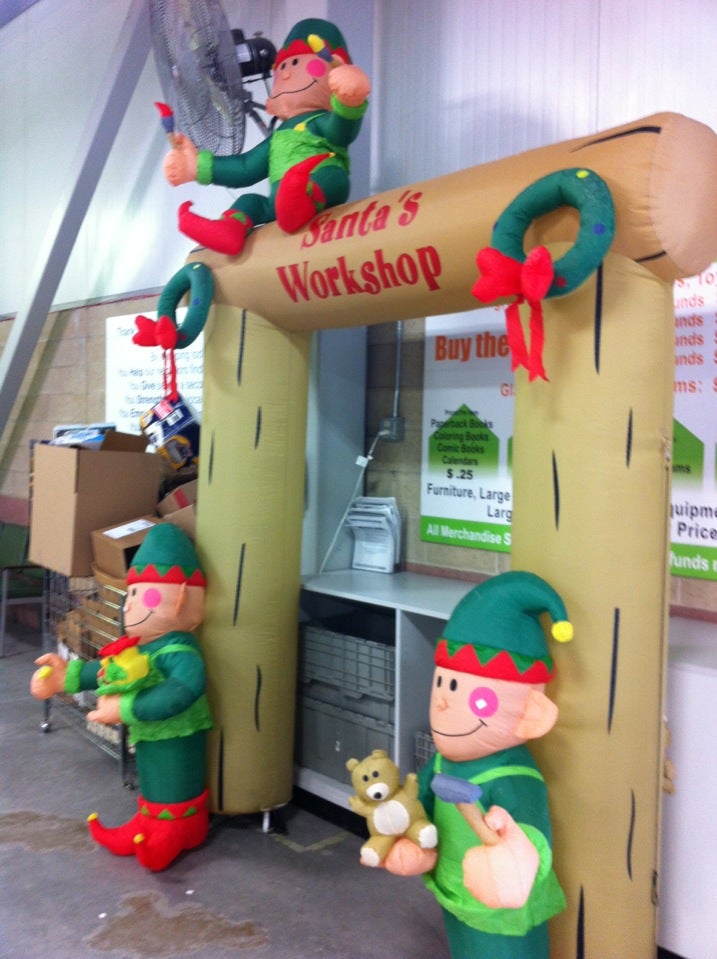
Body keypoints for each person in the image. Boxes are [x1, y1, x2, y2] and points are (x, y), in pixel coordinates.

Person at [381, 571, 572, 959]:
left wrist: (508, 867)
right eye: (442, 685)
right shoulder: (444, 762)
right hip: (455, 890)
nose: (443, 701)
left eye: (473, 696)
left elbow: (533, 839)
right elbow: (424, 808)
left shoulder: (514, 777)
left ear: (531, 714)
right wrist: (415, 839)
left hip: (502, 915)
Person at [31, 523, 212, 872]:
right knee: (152, 776)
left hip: (179, 734)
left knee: (173, 776)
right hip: (148, 734)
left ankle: (180, 827)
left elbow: (183, 690)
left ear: (182, 599)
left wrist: (126, 707)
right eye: (131, 594)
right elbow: (106, 671)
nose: (130, 606)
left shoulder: (180, 652)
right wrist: (64, 677)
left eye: (146, 595)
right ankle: (150, 819)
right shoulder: (143, 647)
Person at [163, 17, 370, 255]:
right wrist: (195, 166)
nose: (287, 74)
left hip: (319, 188)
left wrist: (348, 102)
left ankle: (302, 199)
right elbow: (246, 167)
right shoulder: (278, 137)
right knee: (250, 202)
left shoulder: (318, 122)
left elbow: (341, 131)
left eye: (296, 63)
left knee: (332, 175)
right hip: (279, 205)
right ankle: (230, 229)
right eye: (282, 67)